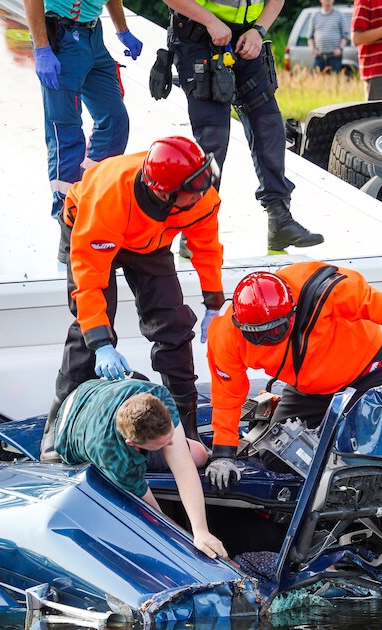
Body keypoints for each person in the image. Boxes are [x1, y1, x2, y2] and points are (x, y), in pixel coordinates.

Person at [40, 136, 226, 463]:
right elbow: (89, 282)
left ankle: (186, 423)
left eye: (203, 184)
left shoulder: (200, 194)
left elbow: (207, 248)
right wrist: (100, 342)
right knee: (89, 330)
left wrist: (214, 300)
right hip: (90, 229)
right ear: (163, 192)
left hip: (148, 243)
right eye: (193, 190)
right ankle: (57, 424)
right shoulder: (108, 197)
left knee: (174, 326)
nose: (202, 194)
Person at [203, 263, 382, 489]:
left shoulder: (321, 290)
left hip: (368, 372)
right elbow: (227, 397)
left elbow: (381, 305)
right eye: (257, 336)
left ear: (292, 314)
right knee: (275, 455)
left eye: (275, 331)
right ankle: (338, 485)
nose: (266, 341)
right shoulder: (226, 337)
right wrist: (224, 455)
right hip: (308, 389)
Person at [161, 0, 324, 253]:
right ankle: (195, 228)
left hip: (247, 40)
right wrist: (210, 21)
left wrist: (259, 30)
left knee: (269, 126)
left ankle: (280, 219)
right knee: (213, 137)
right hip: (199, 37)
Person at [52, 377, 227, 559]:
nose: (172, 443)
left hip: (95, 390)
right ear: (133, 443)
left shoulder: (158, 395)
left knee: (199, 454)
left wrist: (201, 530)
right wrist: (183, 543)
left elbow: (184, 468)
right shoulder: (116, 460)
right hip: (71, 430)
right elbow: (154, 513)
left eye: (170, 435)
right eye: (163, 444)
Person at [23, 0, 143, 229]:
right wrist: (41, 47)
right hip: (62, 36)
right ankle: (68, 221)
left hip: (93, 37)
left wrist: (122, 29)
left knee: (115, 121)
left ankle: (89, 193)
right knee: (65, 132)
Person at [309, 0, 350, 74]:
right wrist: (313, 50)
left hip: (334, 56)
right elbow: (310, 36)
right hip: (319, 56)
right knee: (317, 80)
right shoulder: (315, 15)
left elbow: (345, 34)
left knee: (334, 80)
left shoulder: (339, 15)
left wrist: (340, 49)